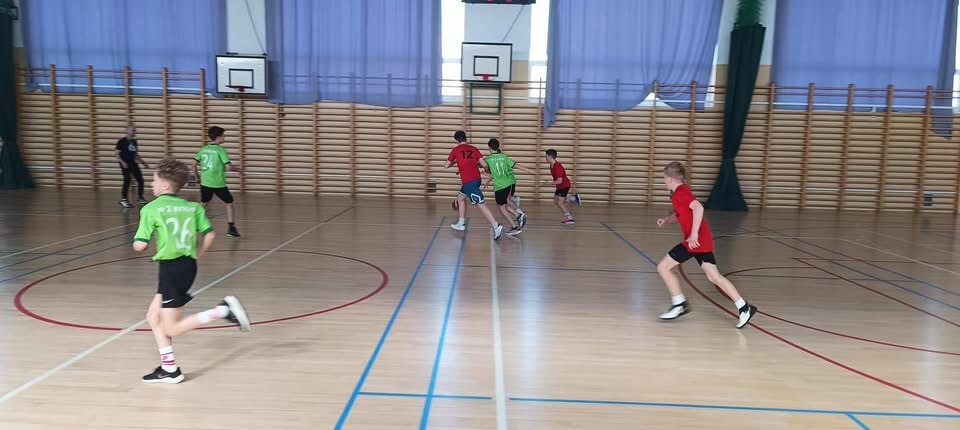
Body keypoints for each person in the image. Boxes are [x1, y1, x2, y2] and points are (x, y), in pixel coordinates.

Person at [133, 158, 251, 384]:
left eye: (154, 180)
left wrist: (141, 244)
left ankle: (222, 311)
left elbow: (139, 245)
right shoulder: (193, 207)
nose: (151, 184)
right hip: (186, 266)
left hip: (170, 270)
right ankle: (170, 369)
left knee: (171, 328)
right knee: (153, 317)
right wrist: (199, 254)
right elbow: (210, 234)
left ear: (165, 185)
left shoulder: (151, 208)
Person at [655, 161, 757, 328]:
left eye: (665, 178)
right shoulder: (678, 192)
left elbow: (698, 208)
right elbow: (681, 213)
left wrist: (694, 233)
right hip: (702, 241)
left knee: (663, 267)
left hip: (695, 241)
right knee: (714, 277)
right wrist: (667, 220)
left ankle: (679, 303)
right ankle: (744, 307)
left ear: (671, 179)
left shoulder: (681, 193)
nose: (664, 181)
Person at [444, 130, 503, 240]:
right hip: (476, 179)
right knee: (460, 198)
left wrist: (456, 161)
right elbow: (484, 165)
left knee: (481, 204)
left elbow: (446, 165)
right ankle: (461, 223)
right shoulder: (474, 149)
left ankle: (496, 226)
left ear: (456, 140)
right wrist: (484, 170)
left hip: (469, 182)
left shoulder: (456, 150)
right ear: (465, 138)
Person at [194, 126, 242, 237]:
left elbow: (193, 164)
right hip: (218, 183)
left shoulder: (203, 149)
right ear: (218, 137)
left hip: (205, 182)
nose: (224, 137)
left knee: (204, 203)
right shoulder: (220, 150)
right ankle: (231, 228)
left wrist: (197, 177)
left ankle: (194, 223)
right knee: (229, 202)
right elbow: (228, 167)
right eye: (223, 135)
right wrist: (239, 170)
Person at [483, 138, 533, 235]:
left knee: (502, 207)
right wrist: (529, 171)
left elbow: (478, 165)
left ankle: (515, 224)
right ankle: (518, 215)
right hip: (509, 183)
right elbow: (516, 165)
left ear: (489, 147)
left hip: (500, 186)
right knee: (505, 204)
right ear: (498, 146)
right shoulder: (504, 157)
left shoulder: (487, 160)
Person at [116, 125, 150, 208]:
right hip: (125, 164)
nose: (134, 132)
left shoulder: (134, 141)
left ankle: (140, 198)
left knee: (140, 180)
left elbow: (135, 154)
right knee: (127, 180)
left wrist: (143, 162)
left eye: (135, 130)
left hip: (133, 163)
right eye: (133, 130)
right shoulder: (122, 141)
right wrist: (122, 162)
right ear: (127, 131)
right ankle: (124, 199)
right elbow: (117, 154)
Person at [545, 149, 576, 225]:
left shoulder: (558, 167)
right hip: (559, 186)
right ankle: (572, 198)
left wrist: (549, 183)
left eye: (546, 156)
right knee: (555, 201)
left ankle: (569, 218)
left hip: (564, 185)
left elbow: (560, 181)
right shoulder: (551, 165)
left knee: (560, 203)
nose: (545, 158)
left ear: (550, 156)